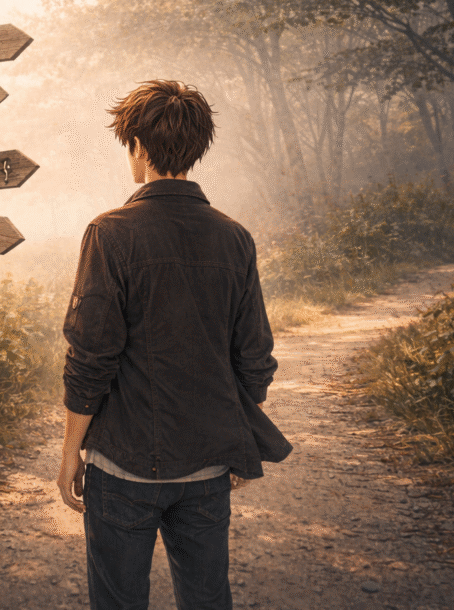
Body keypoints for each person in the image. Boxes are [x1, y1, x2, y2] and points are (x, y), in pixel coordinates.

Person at [57, 80, 292, 610]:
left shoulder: (110, 233)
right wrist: (233, 443)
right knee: (208, 600)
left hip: (122, 468)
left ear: (137, 147)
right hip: (208, 469)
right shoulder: (234, 238)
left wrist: (71, 453)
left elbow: (90, 356)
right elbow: (254, 359)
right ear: (197, 148)